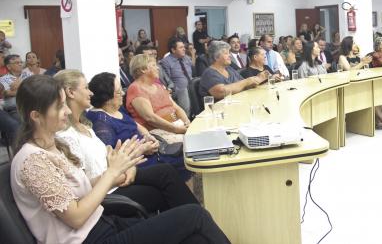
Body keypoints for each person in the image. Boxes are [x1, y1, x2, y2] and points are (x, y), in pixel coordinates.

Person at [11, 75, 230, 244]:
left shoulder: (53, 145)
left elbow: (83, 189)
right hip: (91, 238)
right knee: (195, 216)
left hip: (103, 225)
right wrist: (112, 173)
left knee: (195, 236)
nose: (67, 110)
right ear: (36, 115)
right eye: (60, 106)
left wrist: (120, 168)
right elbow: (75, 216)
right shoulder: (32, 161)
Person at [55, 70, 196, 204]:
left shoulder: (85, 124)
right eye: (86, 88)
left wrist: (141, 144)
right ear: (70, 92)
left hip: (118, 175)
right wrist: (125, 168)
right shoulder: (80, 131)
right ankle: (193, 216)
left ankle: (192, 216)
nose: (90, 92)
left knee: (166, 173)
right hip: (109, 191)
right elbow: (83, 186)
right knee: (166, 180)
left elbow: (110, 156)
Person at [126, 54, 190, 139]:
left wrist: (186, 121)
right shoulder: (135, 88)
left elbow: (177, 108)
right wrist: (176, 129)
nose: (158, 68)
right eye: (153, 65)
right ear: (143, 69)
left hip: (176, 126)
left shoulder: (159, 86)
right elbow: (150, 118)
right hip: (158, 132)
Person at [199, 41, 267, 100]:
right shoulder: (209, 73)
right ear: (216, 57)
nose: (230, 56)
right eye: (226, 53)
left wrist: (257, 79)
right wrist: (247, 81)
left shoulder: (229, 69)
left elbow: (244, 85)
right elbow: (221, 92)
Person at [160, 37, 193, 116]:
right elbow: (167, 80)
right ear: (173, 50)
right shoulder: (166, 62)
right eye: (181, 47)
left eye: (184, 47)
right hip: (177, 90)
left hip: (191, 87)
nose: (184, 49)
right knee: (183, 90)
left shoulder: (187, 58)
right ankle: (186, 119)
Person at [0, 54, 26, 122]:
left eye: (21, 62)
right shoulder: (3, 79)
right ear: (9, 66)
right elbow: (7, 93)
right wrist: (26, 86)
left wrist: (19, 85)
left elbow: (36, 89)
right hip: (15, 109)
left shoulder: (28, 74)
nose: (20, 64)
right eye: (17, 63)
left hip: (33, 105)